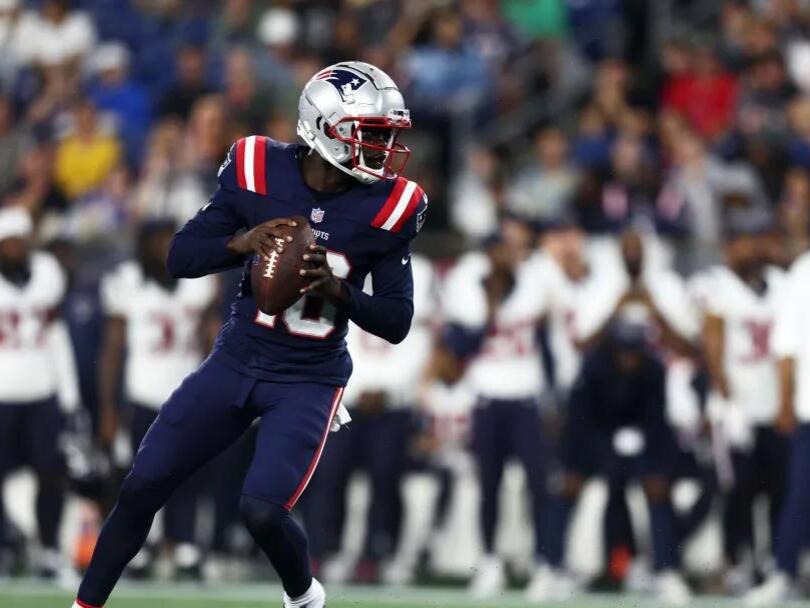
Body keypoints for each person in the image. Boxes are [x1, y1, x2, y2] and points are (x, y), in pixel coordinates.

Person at [70, 61, 426, 608]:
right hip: (237, 357)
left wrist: (337, 290)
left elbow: (397, 321)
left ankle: (304, 598)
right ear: (325, 127)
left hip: (309, 377)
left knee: (261, 510)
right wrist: (240, 243)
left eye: (386, 136)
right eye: (372, 135)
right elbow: (180, 257)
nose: (384, 150)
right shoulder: (257, 166)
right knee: (143, 483)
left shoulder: (392, 205)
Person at [534, 320, 692, 606]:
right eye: (624, 351)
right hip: (594, 442)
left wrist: (643, 447)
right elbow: (579, 423)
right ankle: (549, 566)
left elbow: (657, 421)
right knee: (567, 485)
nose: (629, 358)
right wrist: (605, 450)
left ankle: (666, 570)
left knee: (658, 487)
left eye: (634, 352)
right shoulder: (592, 367)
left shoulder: (654, 369)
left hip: (641, 442)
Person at [96, 219, 218, 578]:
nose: (166, 248)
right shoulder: (128, 282)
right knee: (140, 477)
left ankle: (182, 543)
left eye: (171, 240)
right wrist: (108, 407)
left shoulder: (198, 281)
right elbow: (112, 351)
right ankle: (140, 545)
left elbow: (213, 339)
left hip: (186, 393)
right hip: (142, 393)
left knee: (186, 473)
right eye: (159, 241)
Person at [305, 254, 436, 584]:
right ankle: (323, 550)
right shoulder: (343, 260)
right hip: (346, 398)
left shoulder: (416, 270)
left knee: (386, 478)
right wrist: (354, 386)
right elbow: (327, 327)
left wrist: (390, 388)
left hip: (392, 403)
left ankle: (375, 554)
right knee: (330, 475)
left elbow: (419, 338)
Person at [437, 216, 548, 601]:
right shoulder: (470, 285)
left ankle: (544, 562)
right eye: (499, 249)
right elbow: (460, 346)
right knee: (490, 483)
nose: (506, 255)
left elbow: (546, 339)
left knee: (538, 482)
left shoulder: (533, 281)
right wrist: (489, 307)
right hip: (486, 395)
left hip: (527, 394)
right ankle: (489, 561)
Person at [701, 214, 789, 593]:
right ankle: (737, 559)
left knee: (778, 488)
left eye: (752, 241)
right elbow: (712, 346)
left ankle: (772, 558)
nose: (748, 249)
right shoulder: (717, 286)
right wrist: (727, 400)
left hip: (773, 405)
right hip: (736, 409)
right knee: (738, 489)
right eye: (740, 242)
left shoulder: (782, 284)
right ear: (727, 247)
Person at [0, 206, 81, 581]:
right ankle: (6, 546)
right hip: (3, 391)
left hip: (42, 390)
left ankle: (49, 549)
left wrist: (69, 395)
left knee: (51, 473)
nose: (16, 248)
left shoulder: (47, 272)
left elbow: (56, 335)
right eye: (9, 242)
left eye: (21, 241)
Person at [745, 239, 810, 605]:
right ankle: (784, 572)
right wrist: (786, 400)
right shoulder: (804, 273)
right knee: (801, 493)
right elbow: (787, 344)